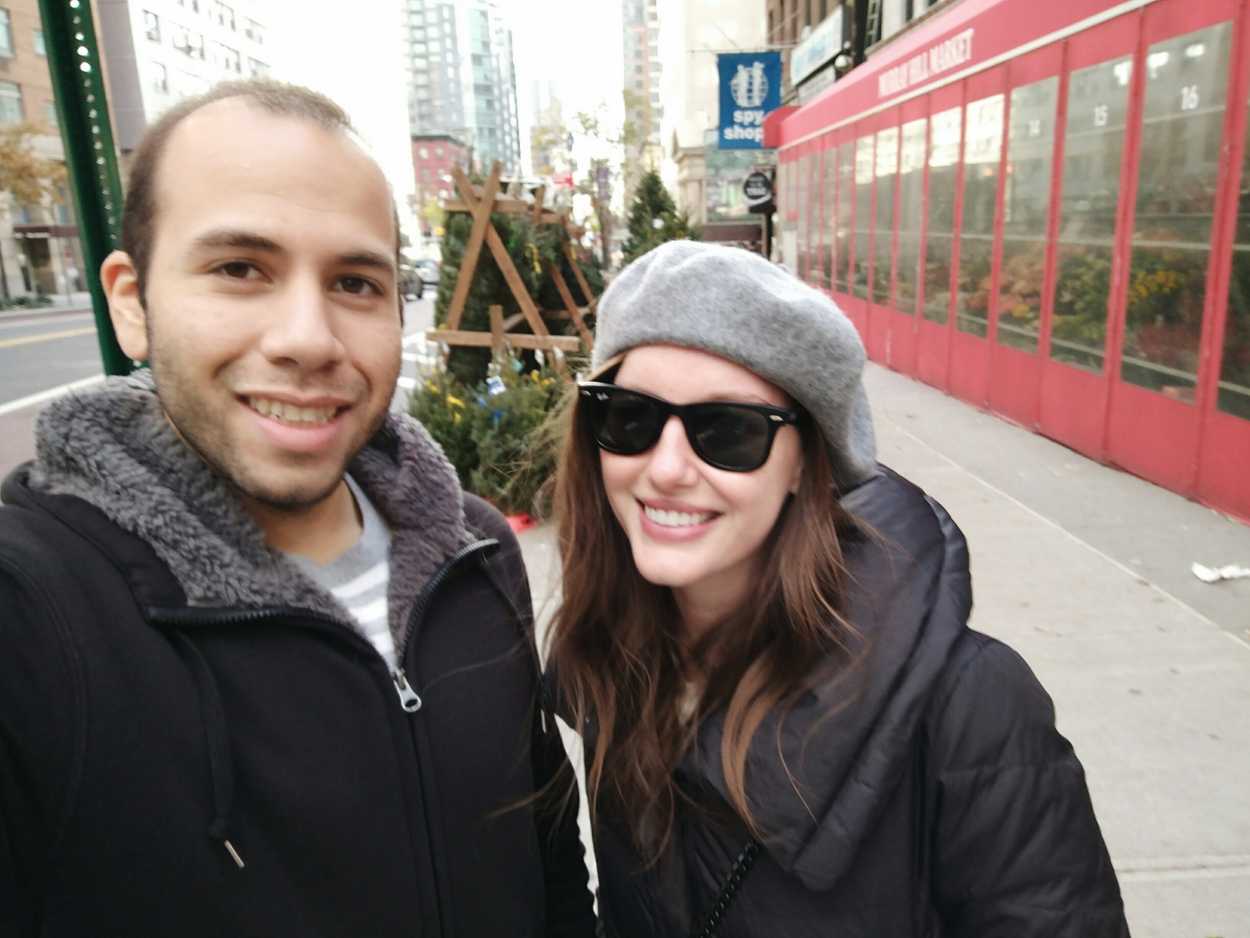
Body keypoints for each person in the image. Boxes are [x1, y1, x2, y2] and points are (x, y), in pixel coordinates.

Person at [0, 80, 594, 937]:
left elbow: (547, 854)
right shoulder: (32, 617)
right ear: (131, 302)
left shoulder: (477, 553)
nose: (308, 339)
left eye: (355, 283)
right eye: (240, 269)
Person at [546, 239, 1128, 937]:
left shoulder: (972, 705)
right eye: (630, 418)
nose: (667, 468)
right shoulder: (617, 669)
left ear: (805, 464)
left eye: (727, 432)